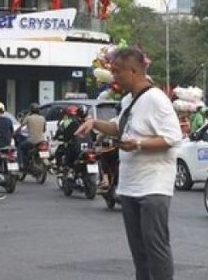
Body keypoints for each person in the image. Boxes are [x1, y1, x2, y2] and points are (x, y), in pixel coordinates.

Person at [75, 47, 182, 280]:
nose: (114, 77)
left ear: (133, 71)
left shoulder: (156, 99)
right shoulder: (128, 100)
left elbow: (173, 138)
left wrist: (139, 144)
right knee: (139, 251)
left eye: (117, 71)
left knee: (155, 246)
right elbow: (118, 127)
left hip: (153, 186)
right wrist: (94, 123)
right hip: (130, 186)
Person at [18, 103, 46, 170]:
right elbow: (44, 130)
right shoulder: (43, 118)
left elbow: (21, 126)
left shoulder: (28, 118)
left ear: (31, 110)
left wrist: (15, 132)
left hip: (31, 141)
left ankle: (21, 164)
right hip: (42, 141)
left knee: (20, 147)